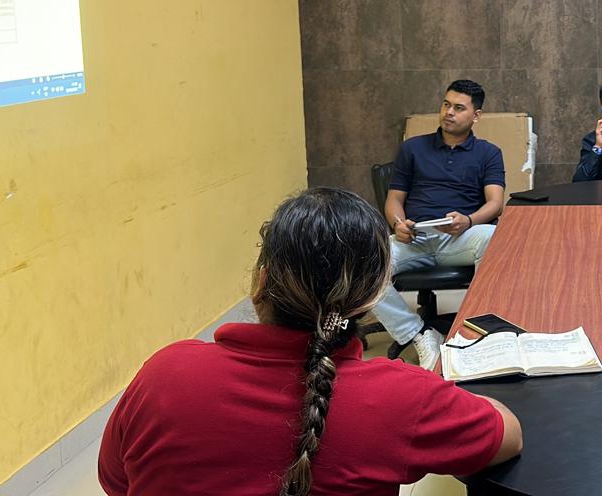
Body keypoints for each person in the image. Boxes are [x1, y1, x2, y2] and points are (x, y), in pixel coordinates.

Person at [98, 188, 522, 496]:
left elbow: (116, 481)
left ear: (261, 282)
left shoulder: (163, 375)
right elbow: (506, 436)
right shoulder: (403, 397)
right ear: (372, 298)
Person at [375, 79, 505, 368]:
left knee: (493, 236)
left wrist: (468, 220)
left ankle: (478, 331)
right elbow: (394, 199)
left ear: (476, 115)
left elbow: (495, 203)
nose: (449, 112)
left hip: (460, 238)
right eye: (446, 105)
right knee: (366, 265)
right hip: (414, 238)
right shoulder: (412, 148)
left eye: (459, 108)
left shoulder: (489, 153)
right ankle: (418, 333)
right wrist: (398, 224)